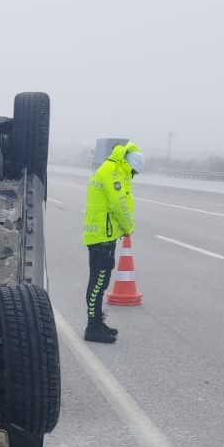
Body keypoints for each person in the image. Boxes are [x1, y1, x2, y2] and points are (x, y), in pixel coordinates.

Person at [82, 141, 144, 342]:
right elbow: (119, 204)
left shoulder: (114, 169)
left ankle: (98, 322)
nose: (133, 175)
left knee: (101, 282)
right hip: (101, 236)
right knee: (98, 282)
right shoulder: (113, 173)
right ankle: (92, 327)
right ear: (128, 164)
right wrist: (128, 227)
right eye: (133, 171)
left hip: (104, 235)